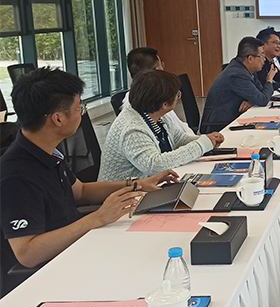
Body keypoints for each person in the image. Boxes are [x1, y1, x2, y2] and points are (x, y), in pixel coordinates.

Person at [1, 68, 178, 268]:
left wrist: (138, 184)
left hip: (80, 245)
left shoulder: (45, 151)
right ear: (58, 119)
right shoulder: (16, 175)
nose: (82, 113)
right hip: (58, 267)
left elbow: (80, 191)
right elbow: (27, 253)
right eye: (79, 108)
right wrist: (98, 218)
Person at [99, 70, 224, 181]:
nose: (177, 97)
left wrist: (206, 139)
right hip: (122, 193)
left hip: (148, 184)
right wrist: (201, 145)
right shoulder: (132, 128)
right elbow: (154, 165)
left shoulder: (157, 114)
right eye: (177, 94)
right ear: (164, 104)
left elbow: (179, 139)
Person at [200, 36, 277, 133]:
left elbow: (261, 93)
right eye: (262, 55)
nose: (264, 59)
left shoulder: (246, 69)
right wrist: (269, 80)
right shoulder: (237, 74)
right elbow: (263, 99)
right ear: (250, 58)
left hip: (233, 116)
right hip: (218, 125)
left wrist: (252, 101)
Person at [124, 47, 193, 135]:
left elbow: (178, 133)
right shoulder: (155, 98)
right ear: (158, 71)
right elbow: (178, 136)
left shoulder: (134, 98)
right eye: (162, 65)